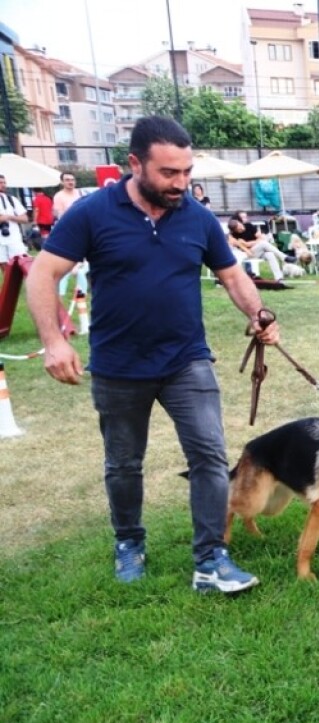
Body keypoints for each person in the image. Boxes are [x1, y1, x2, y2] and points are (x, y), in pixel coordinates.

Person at [25, 115, 281, 593]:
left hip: (186, 360)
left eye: (186, 172)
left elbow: (232, 275)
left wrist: (259, 313)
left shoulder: (197, 217)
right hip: (119, 367)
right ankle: (129, 541)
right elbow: (42, 275)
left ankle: (210, 559)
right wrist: (55, 341)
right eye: (169, 173)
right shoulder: (92, 213)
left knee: (208, 454)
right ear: (135, 164)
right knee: (123, 463)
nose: (181, 183)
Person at [0, 174, 31, 264]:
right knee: (4, 266)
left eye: (4, 182)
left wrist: (9, 217)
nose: (3, 185)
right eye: (0, 183)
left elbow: (25, 219)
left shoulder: (11, 199)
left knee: (19, 264)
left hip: (13, 238)